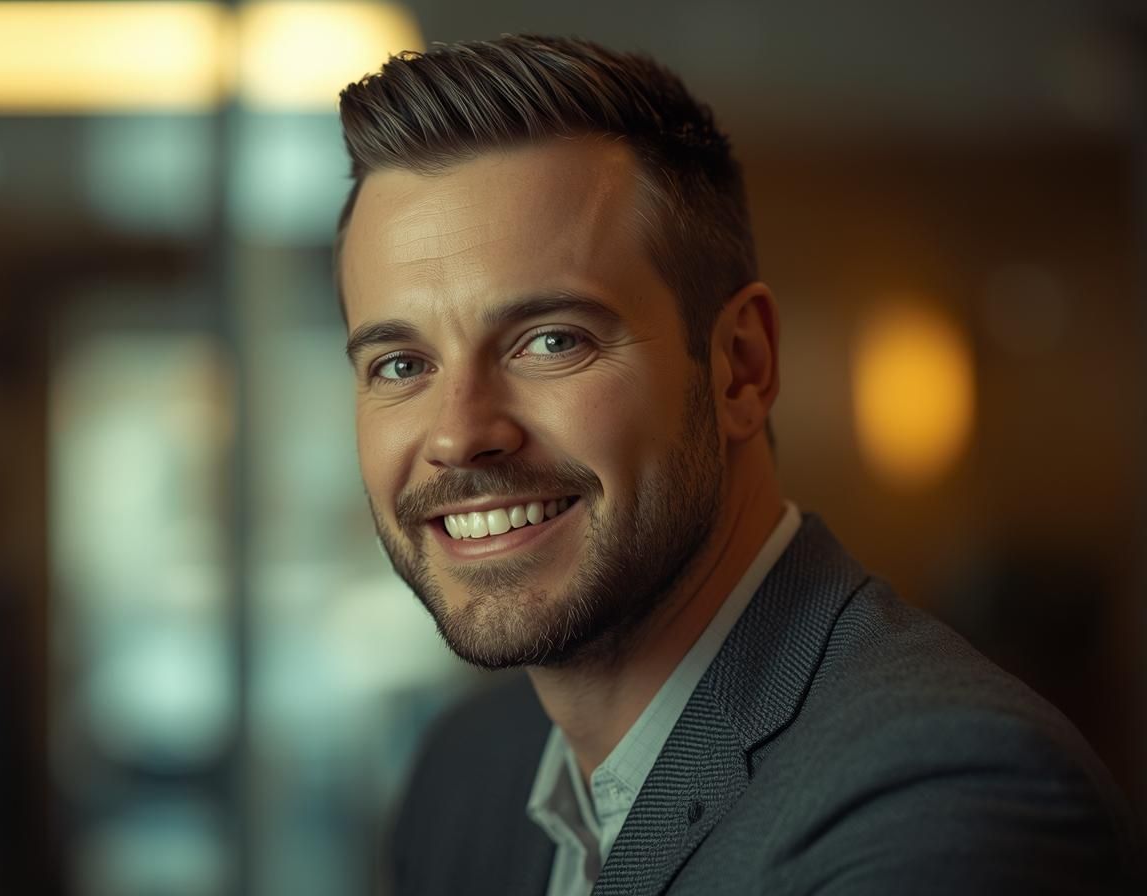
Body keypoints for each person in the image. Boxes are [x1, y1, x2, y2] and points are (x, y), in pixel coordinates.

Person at [334, 35, 1140, 895]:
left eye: (551, 341)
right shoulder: (465, 774)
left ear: (740, 369)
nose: (460, 435)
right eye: (400, 365)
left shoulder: (946, 797)